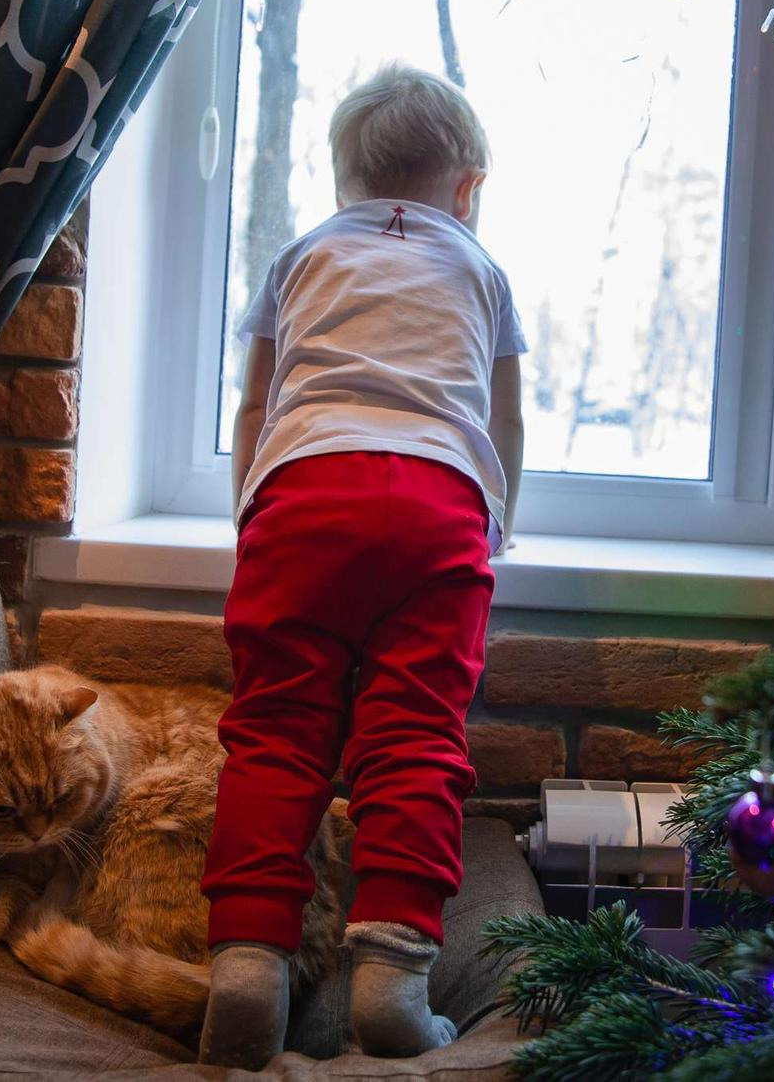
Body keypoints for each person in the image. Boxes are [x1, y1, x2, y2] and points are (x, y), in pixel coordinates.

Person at [197, 64, 527, 1068]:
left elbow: (256, 405)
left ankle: (246, 962)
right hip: (436, 505)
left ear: (345, 179)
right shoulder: (477, 267)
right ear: (464, 187)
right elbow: (503, 422)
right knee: (416, 734)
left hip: (304, 495)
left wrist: (251, 503)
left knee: (276, 731)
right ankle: (393, 968)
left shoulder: (300, 259)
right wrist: (495, 518)